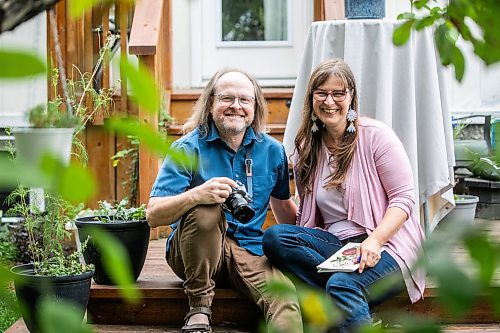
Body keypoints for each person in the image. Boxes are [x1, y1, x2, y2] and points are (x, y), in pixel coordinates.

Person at [263, 59, 426, 333]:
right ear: (311, 97)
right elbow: (303, 217)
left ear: (351, 97)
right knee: (275, 237)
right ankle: (348, 302)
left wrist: (374, 241)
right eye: (322, 93)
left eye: (338, 93)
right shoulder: (306, 147)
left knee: (342, 284)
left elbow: (404, 199)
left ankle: (340, 300)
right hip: (337, 247)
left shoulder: (376, 136)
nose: (330, 101)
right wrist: (273, 189)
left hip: (388, 245)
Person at [147, 68, 303, 333]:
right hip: (193, 254)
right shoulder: (187, 149)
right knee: (206, 210)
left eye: (245, 100)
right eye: (227, 98)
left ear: (255, 107)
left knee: (285, 297)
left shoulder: (272, 150)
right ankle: (198, 307)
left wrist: (318, 240)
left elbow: (284, 207)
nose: (236, 106)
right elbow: (153, 215)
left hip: (248, 249)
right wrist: (198, 195)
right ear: (211, 104)